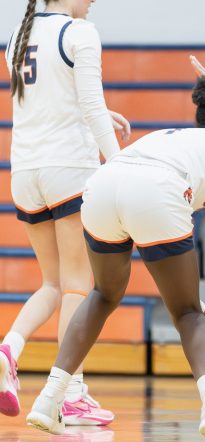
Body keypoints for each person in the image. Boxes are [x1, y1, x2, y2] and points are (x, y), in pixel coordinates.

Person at [26, 71, 205, 441]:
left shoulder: (168, 139)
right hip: (152, 190)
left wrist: (201, 301)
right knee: (188, 315)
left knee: (103, 294)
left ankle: (48, 400)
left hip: (103, 184)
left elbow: (154, 238)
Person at [0, 0, 130, 425]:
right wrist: (121, 165)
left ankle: (9, 349)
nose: (94, 0)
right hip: (69, 168)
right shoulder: (80, 32)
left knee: (53, 283)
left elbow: (49, 100)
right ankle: (70, 393)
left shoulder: (18, 35)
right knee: (78, 286)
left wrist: (99, 115)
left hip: (25, 171)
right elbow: (90, 107)